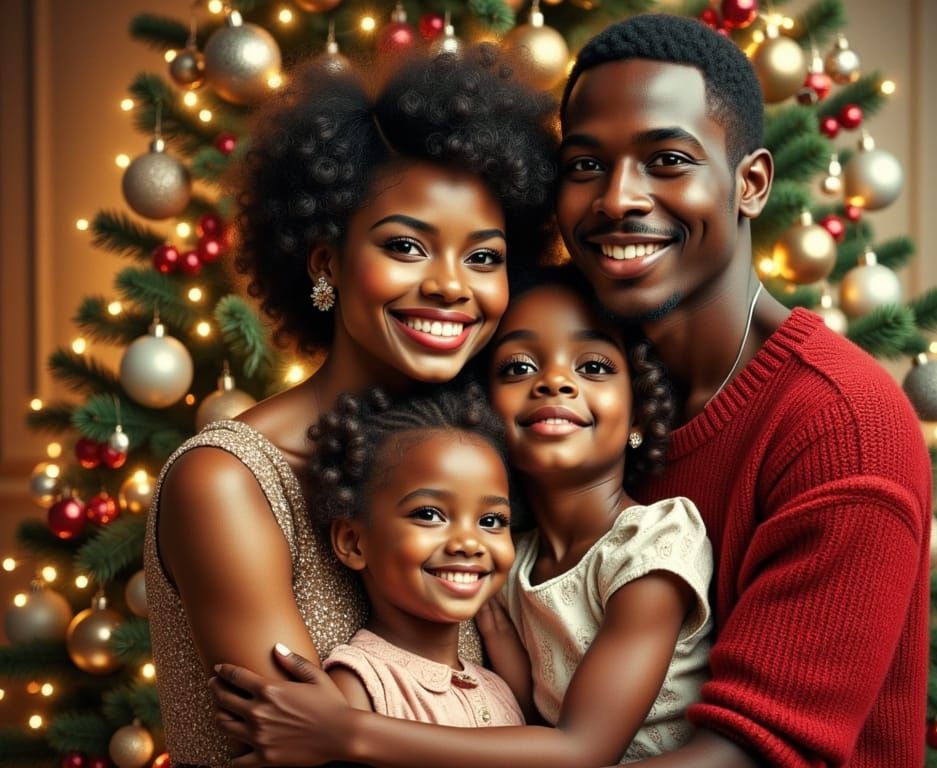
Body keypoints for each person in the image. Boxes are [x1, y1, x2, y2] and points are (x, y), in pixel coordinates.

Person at [144, 47, 557, 767]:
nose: (452, 287)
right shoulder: (228, 483)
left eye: (483, 257)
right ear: (327, 264)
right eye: (406, 246)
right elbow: (307, 751)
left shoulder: (480, 459)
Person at [554, 14, 932, 767]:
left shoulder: (844, 427)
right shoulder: (575, 386)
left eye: (666, 159)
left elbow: (746, 758)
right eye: (585, 166)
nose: (617, 199)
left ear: (750, 184)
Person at [210, 270, 715, 766]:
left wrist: (343, 731)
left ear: (640, 413)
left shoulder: (654, 541)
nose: (556, 381)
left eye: (595, 367)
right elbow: (516, 715)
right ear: (485, 417)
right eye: (518, 367)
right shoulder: (511, 560)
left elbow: (582, 748)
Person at [307, 384, 523, 728]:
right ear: (353, 542)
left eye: (491, 520)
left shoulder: (500, 689)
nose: (469, 542)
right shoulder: (358, 689)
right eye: (428, 514)